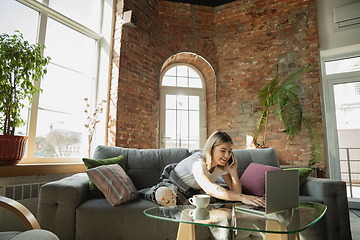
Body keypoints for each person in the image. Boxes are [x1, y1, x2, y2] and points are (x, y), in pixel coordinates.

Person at [139, 131, 265, 208]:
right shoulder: (197, 161)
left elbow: (236, 192)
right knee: (163, 195)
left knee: (227, 200)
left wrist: (233, 172)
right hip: (174, 186)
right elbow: (209, 188)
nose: (227, 155)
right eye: (223, 151)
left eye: (229, 152)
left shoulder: (222, 165)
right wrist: (243, 197)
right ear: (211, 148)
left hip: (192, 193)